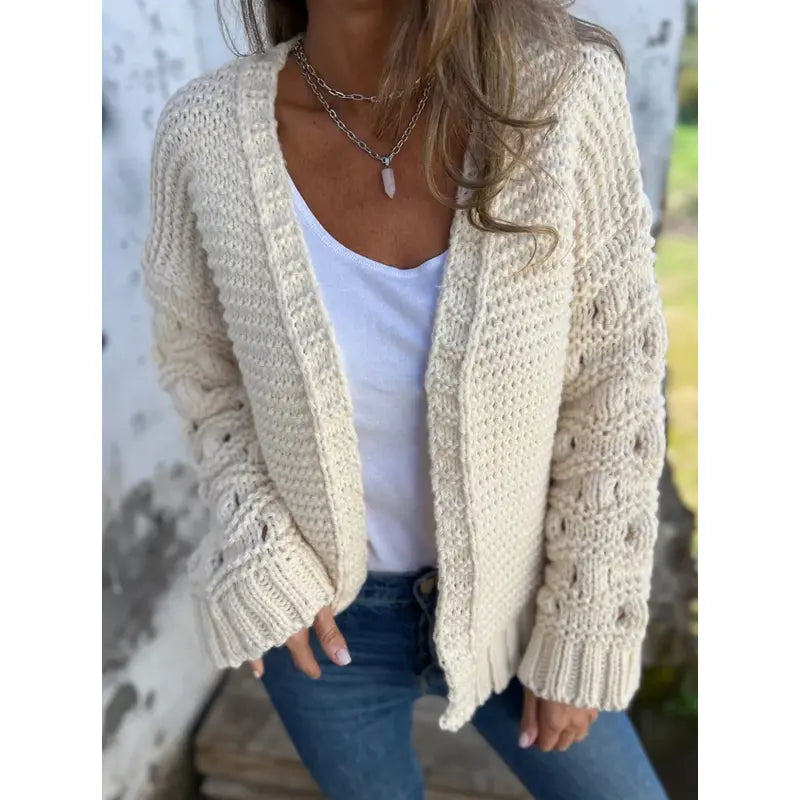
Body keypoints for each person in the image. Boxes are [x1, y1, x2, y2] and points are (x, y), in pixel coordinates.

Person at [141, 1, 670, 797]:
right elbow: (207, 378)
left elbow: (612, 383)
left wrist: (587, 619)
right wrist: (260, 546)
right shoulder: (204, 134)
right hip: (325, 627)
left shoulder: (559, 97)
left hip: (524, 603)